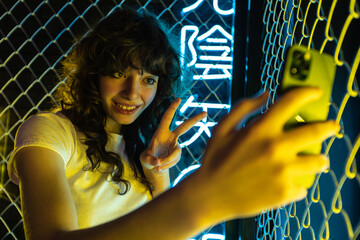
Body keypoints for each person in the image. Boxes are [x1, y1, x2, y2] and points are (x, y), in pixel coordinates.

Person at [7, 7, 339, 240]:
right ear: (94, 72)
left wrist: (158, 176)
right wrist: (207, 197)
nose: (133, 93)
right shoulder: (48, 131)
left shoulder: (141, 150)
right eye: (119, 73)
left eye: (149, 79)